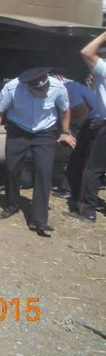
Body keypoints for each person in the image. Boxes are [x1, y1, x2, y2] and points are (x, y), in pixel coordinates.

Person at [0, 67, 75, 236]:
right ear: (27, 86)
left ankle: (40, 219)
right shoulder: (12, 88)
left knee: (44, 171)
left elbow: (65, 110)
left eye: (45, 90)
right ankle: (12, 204)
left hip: (45, 132)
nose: (43, 93)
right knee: (11, 168)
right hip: (19, 129)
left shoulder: (58, 87)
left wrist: (65, 132)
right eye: (38, 91)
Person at [65, 30, 106, 223]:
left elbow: (86, 52)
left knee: (92, 168)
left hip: (104, 125)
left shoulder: (104, 69)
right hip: (97, 120)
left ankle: (86, 211)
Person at [52, 74, 95, 198]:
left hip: (91, 122)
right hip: (89, 121)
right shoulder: (73, 85)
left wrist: (70, 132)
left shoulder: (68, 87)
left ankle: (69, 188)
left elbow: (81, 111)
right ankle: (67, 187)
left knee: (74, 152)